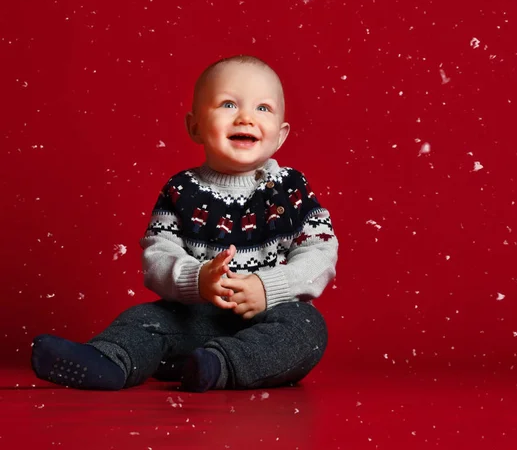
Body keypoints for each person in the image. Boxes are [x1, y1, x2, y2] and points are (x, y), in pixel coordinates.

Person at [31, 55, 338, 392]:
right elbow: (158, 254)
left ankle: (219, 366)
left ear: (280, 136)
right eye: (228, 104)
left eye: (263, 108)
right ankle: (109, 360)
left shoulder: (289, 187)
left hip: (269, 320)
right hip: (196, 321)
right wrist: (198, 279)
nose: (246, 117)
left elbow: (320, 252)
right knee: (146, 319)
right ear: (195, 126)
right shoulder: (182, 190)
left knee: (308, 328)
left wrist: (269, 287)